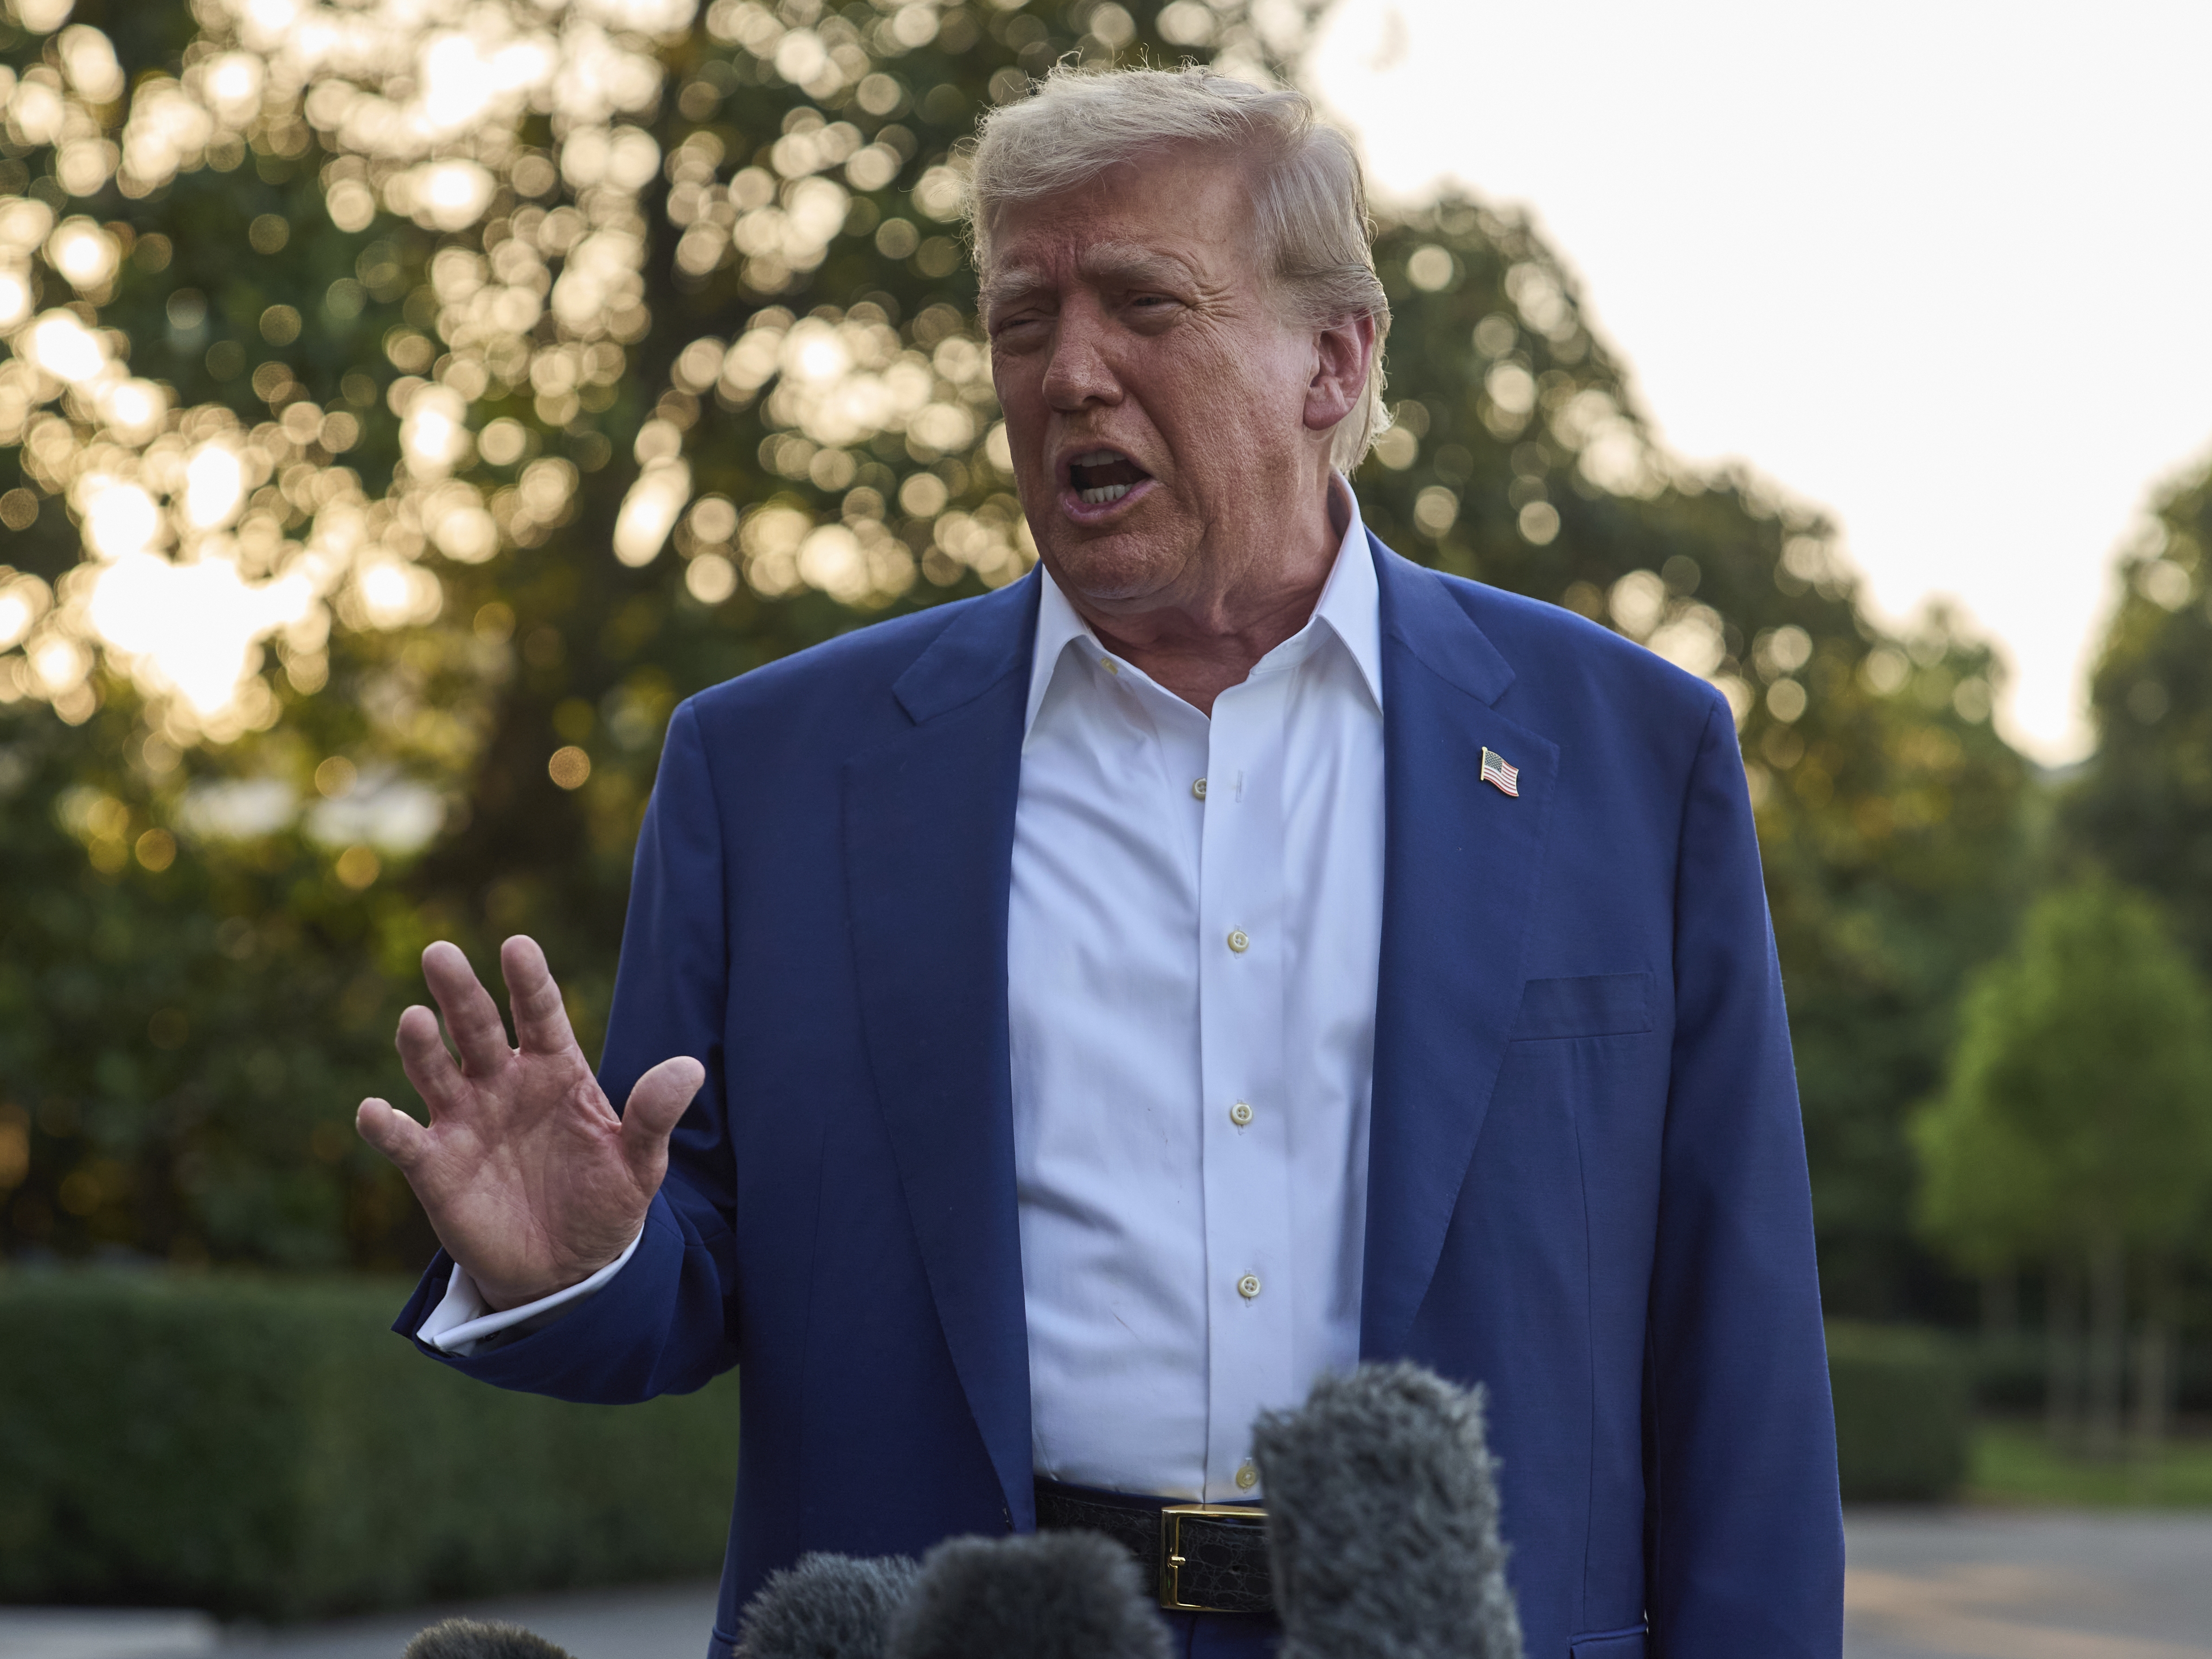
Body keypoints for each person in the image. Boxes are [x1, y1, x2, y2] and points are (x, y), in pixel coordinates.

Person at [358, 66, 1843, 1659]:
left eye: (1144, 302)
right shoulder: (774, 769)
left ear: (1328, 361)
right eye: (1022, 319)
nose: (1069, 372)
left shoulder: (1628, 750)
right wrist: (583, 1266)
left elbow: (1735, 1340)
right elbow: (692, 1256)